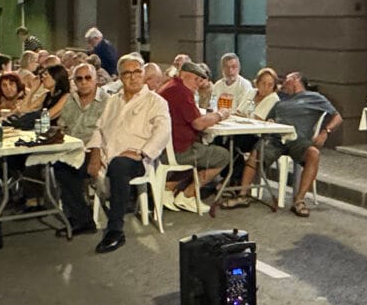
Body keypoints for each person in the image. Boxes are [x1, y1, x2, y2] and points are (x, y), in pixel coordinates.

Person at [85, 53, 170, 254]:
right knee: (65, 164)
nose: (132, 77)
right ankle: (79, 219)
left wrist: (142, 153)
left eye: (137, 72)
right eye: (127, 73)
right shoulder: (113, 101)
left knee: (119, 165)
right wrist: (95, 154)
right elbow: (98, 128)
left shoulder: (155, 101)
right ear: (120, 77)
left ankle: (115, 229)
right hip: (108, 153)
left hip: (137, 158)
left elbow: (163, 131)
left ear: (143, 74)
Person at [229, 72, 342, 217]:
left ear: (295, 80)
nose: (282, 83)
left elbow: (337, 117)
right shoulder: (280, 100)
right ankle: (242, 195)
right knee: (256, 152)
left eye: (286, 80)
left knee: (314, 154)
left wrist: (325, 132)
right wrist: (270, 122)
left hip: (298, 140)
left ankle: (299, 200)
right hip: (275, 138)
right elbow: (268, 118)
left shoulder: (314, 98)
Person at [159, 62, 231, 200]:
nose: (198, 84)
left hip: (165, 146)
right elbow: (198, 124)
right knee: (223, 155)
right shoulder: (182, 92)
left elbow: (194, 117)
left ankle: (169, 188)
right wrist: (220, 115)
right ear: (184, 75)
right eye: (196, 80)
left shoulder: (170, 86)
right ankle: (187, 196)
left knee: (201, 148)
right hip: (177, 150)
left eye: (200, 80)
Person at [51, 63, 105, 235]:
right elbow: (62, 126)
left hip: (94, 150)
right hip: (69, 147)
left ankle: (83, 220)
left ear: (96, 80)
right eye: (79, 78)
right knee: (46, 162)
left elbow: (106, 133)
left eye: (88, 78)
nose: (83, 82)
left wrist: (96, 155)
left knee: (65, 169)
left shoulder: (108, 102)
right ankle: (75, 213)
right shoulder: (70, 100)